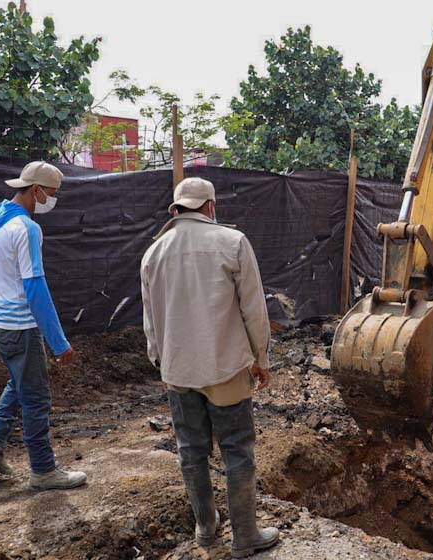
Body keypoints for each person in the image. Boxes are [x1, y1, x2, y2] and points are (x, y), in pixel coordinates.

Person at [140, 177, 279, 557]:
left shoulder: (153, 253)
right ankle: (246, 536)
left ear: (176, 209)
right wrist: (261, 359)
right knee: (237, 450)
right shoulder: (232, 242)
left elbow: (150, 319)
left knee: (191, 450)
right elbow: (254, 309)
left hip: (179, 372)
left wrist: (161, 364)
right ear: (210, 206)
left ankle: (205, 527)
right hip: (226, 369)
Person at [0, 161, 86, 490]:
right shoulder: (26, 229)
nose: (53, 200)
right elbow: (35, 288)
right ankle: (43, 470)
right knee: (36, 398)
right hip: (19, 325)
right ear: (35, 190)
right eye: (51, 193)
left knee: (19, 380)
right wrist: (59, 342)